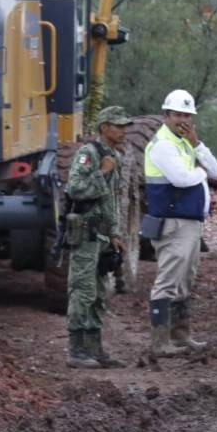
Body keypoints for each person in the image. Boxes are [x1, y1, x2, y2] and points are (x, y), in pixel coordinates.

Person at [144, 89, 217, 356]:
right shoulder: (163, 144)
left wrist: (197, 144)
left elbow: (216, 169)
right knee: (168, 279)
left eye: (187, 115)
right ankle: (160, 341)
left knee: (185, 279)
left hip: (189, 222)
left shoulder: (183, 141)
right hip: (173, 223)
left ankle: (180, 335)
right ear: (165, 116)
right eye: (178, 114)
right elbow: (182, 178)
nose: (183, 120)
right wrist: (201, 173)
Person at [63, 106, 133, 369]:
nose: (123, 130)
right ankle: (76, 350)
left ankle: (95, 348)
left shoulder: (114, 155)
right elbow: (75, 188)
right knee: (83, 289)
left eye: (125, 126)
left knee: (100, 292)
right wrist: (102, 172)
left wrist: (114, 232)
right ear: (104, 127)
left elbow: (112, 200)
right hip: (85, 234)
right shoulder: (88, 154)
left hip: (102, 234)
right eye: (118, 125)